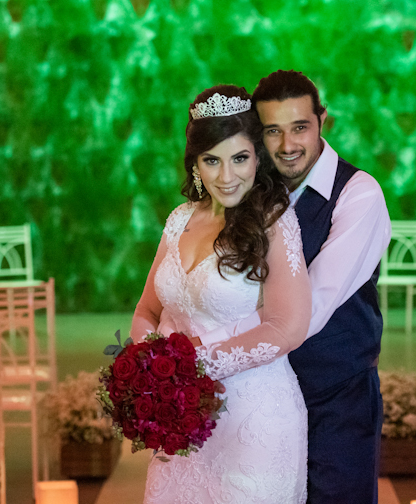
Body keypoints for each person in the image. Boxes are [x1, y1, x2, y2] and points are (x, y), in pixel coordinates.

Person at [193, 70, 391, 503]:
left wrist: (200, 352)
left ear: (323, 120)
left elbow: (307, 310)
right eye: (272, 131)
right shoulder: (246, 192)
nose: (287, 145)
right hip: (257, 396)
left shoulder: (359, 195)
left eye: (300, 127)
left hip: (335, 400)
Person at [130, 84, 312, 504]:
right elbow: (146, 310)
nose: (227, 176)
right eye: (212, 160)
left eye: (240, 158)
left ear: (257, 156)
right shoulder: (179, 220)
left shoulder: (274, 221)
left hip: (254, 423)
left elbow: (288, 326)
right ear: (195, 163)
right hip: (181, 423)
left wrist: (189, 366)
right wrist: (152, 370)